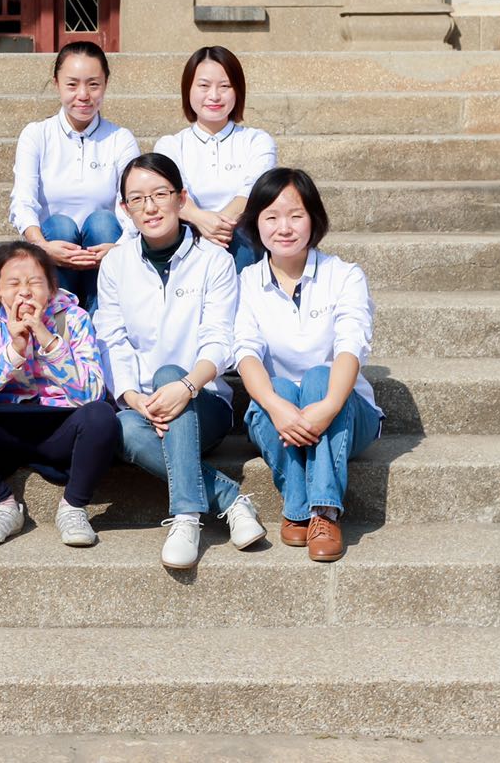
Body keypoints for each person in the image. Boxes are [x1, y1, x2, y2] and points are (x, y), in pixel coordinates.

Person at [94, 152, 266, 570]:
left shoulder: (214, 260)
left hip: (205, 400)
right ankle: (230, 498)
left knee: (170, 373)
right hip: (144, 408)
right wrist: (134, 399)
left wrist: (186, 386)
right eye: (137, 199)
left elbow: (219, 339)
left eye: (160, 194)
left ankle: (186, 516)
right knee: (121, 429)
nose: (150, 207)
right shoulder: (116, 263)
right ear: (125, 209)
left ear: (181, 198)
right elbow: (112, 339)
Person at [234, 167, 380, 563]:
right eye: (271, 217)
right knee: (278, 388)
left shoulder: (344, 275)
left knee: (319, 377)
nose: (284, 227)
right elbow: (245, 353)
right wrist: (278, 408)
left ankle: (322, 513)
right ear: (256, 223)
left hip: (346, 413)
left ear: (314, 219)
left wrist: (328, 405)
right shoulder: (247, 281)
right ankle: (301, 504)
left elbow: (351, 346)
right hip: (279, 419)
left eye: (295, 215)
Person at [0, 242, 119, 547]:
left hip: (59, 426)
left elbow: (92, 392)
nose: (25, 292)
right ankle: (1, 504)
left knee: (102, 416)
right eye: (14, 284)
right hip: (3, 427)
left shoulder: (74, 319)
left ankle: (73, 507)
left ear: (51, 288)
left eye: (34, 283)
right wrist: (13, 352)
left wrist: (48, 342)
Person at [9, 41, 140, 311]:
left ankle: (101, 316)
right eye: (72, 85)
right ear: (56, 83)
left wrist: (120, 247)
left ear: (105, 84)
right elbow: (23, 201)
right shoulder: (36, 135)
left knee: (103, 221)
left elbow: (132, 201)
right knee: (60, 225)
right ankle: (60, 319)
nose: (83, 95)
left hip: (104, 250)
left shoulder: (120, 138)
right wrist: (42, 245)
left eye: (93, 85)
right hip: (52, 248)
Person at [154, 45, 276, 272]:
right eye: (203, 86)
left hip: (238, 237)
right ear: (188, 90)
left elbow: (251, 193)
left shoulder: (257, 141)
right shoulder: (170, 145)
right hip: (187, 234)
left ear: (238, 90)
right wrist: (200, 220)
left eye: (225, 86)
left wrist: (216, 227)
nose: (214, 96)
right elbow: (171, 195)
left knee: (242, 233)